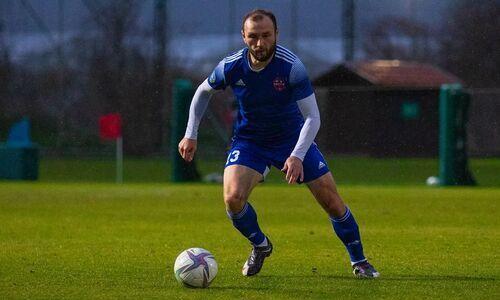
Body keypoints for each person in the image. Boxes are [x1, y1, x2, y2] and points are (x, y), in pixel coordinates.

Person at [178, 9, 379, 278]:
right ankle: (260, 245)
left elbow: (312, 117)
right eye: (253, 37)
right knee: (233, 199)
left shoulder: (291, 67)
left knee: (331, 200)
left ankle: (360, 261)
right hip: (250, 141)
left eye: (266, 36)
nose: (259, 43)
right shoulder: (231, 66)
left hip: (291, 139)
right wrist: (191, 133)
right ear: (243, 36)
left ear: (276, 35)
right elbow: (203, 92)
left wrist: (296, 155)